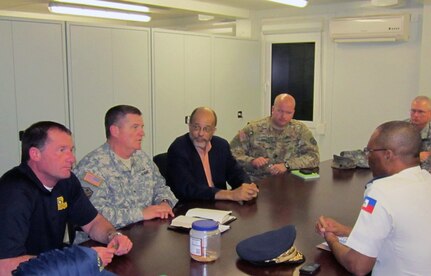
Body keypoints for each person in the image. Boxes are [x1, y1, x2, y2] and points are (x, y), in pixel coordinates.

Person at [0, 121, 133, 275]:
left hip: (59, 267)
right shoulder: (13, 192)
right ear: (35, 154)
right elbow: (5, 266)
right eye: (62, 150)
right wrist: (78, 261)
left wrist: (112, 236)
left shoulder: (66, 180)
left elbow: (93, 222)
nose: (72, 158)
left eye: (71, 150)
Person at [315, 121, 431, 275]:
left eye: (369, 151)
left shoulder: (382, 191)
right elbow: (396, 234)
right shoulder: (426, 180)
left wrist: (331, 239)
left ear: (388, 155)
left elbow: (358, 265)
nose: (367, 157)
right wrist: (345, 231)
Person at [73, 105, 178, 235]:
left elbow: (161, 187)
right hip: (103, 242)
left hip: (144, 235)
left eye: (142, 127)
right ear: (115, 131)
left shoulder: (141, 158)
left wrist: (164, 203)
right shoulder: (91, 167)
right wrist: (141, 214)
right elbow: (94, 216)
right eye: (135, 127)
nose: (142, 133)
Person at [167, 107, 259, 202]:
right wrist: (230, 194)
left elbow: (235, 172)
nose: (200, 133)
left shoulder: (221, 145)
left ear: (213, 131)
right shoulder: (178, 148)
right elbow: (188, 188)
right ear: (189, 126)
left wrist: (247, 187)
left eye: (206, 129)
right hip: (190, 207)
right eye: (196, 127)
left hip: (218, 206)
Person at [230, 93, 319, 181]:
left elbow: (313, 157)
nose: (283, 116)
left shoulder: (300, 130)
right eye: (280, 111)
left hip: (289, 183)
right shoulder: (253, 129)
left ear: (293, 113)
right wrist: (251, 161)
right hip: (258, 182)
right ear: (273, 109)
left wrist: (287, 165)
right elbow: (231, 153)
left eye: (288, 112)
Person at [406, 95, 431, 170]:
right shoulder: (400, 129)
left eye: (421, 112)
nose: (416, 115)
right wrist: (417, 158)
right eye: (413, 111)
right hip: (405, 173)